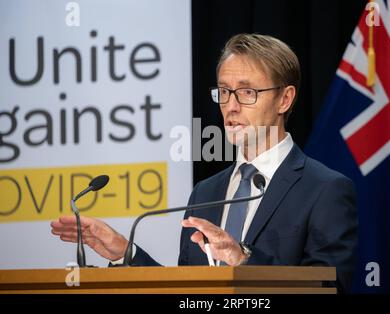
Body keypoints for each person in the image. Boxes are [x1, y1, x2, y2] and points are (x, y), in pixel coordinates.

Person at [51, 34, 357, 293]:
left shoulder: (325, 189)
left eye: (247, 92)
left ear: (284, 99)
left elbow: (330, 288)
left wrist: (243, 260)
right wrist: (124, 252)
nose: (231, 106)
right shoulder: (205, 192)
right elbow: (186, 290)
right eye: (224, 91)